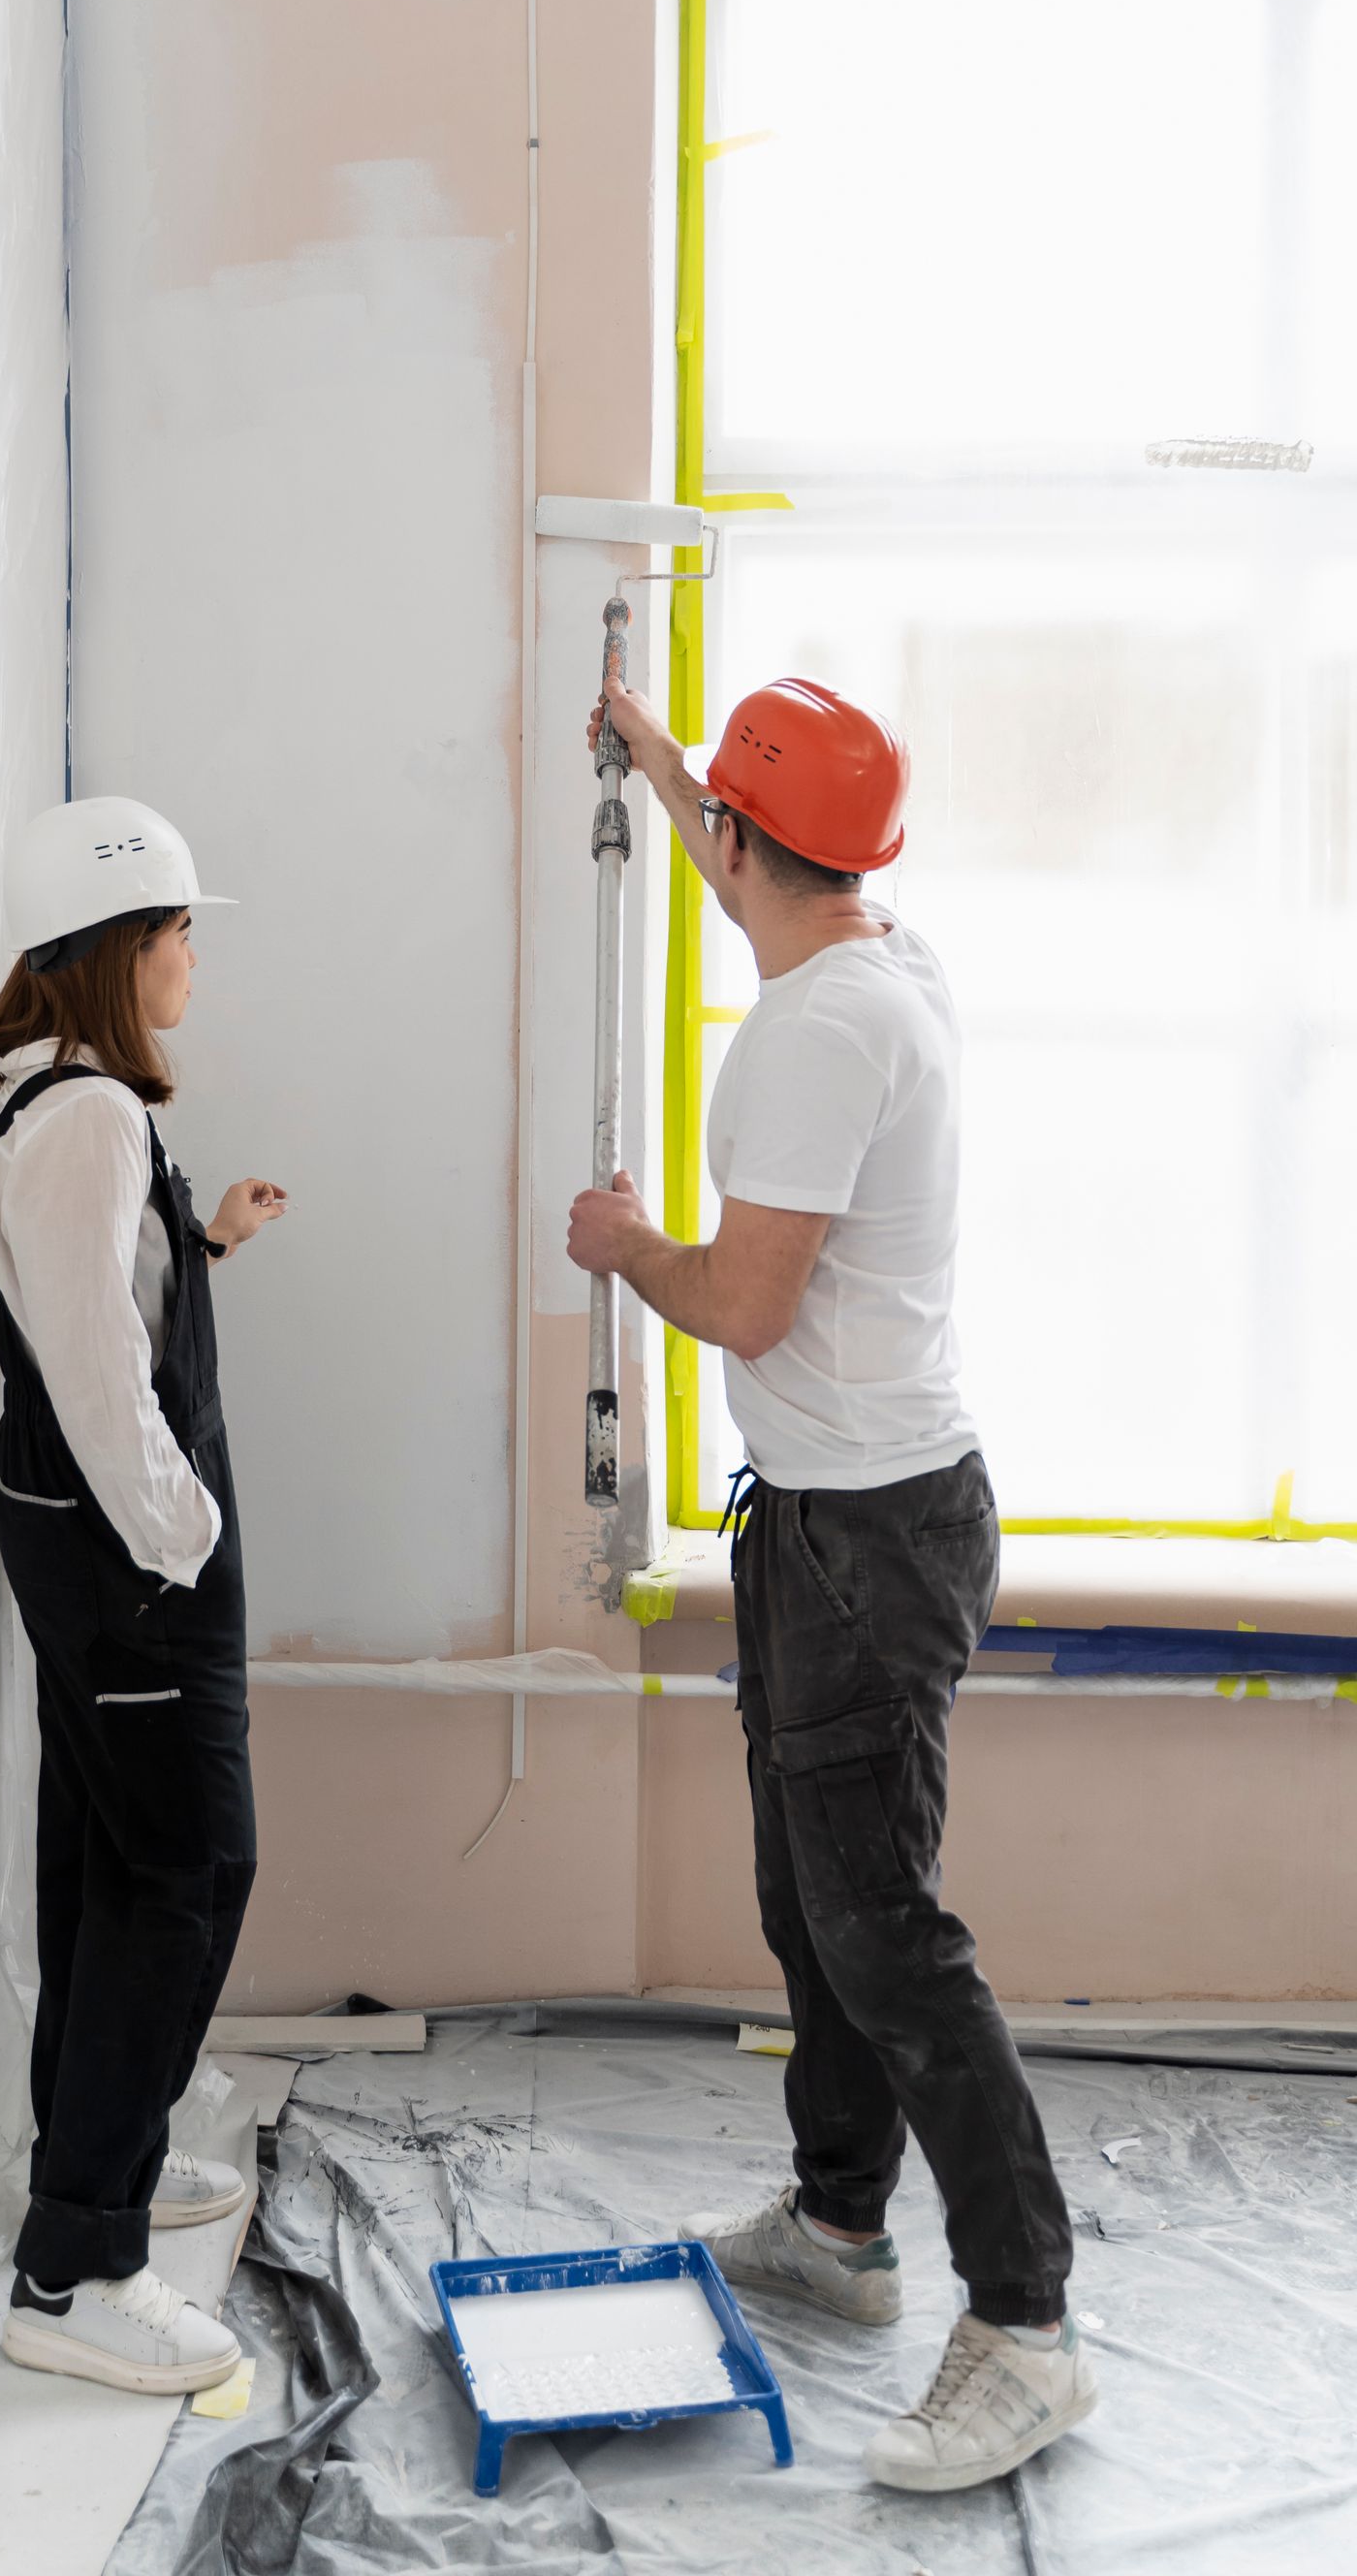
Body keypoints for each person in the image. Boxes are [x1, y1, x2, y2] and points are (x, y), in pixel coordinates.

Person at [567, 675, 1094, 2495]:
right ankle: (843, 2229)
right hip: (830, 1516)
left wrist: (629, 1249)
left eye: (717, 812)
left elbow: (747, 1303)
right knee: (811, 1905)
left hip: (868, 1537)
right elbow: (765, 864)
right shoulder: (882, 957)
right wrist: (658, 756)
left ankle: (1027, 2328)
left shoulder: (807, 1039)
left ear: (740, 840)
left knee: (884, 1934)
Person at [0, 794, 286, 2398]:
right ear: (112, 949)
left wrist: (204, 1247)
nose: (191, 957)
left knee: (108, 1869)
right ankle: (76, 2268)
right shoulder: (86, 1120)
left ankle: (97, 2163)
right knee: (188, 1875)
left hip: (90, 1551)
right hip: (129, 1564)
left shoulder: (71, 1108)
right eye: (176, 931)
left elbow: (102, 1300)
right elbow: (97, 1376)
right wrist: (186, 1536)